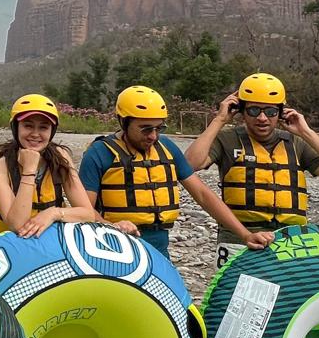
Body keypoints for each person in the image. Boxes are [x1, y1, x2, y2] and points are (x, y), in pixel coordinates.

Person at [79, 86, 276, 260]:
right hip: (114, 247)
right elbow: (83, 209)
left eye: (159, 128)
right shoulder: (99, 153)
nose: (153, 136)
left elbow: (202, 194)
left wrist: (245, 235)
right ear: (123, 121)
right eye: (145, 129)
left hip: (159, 248)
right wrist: (110, 226)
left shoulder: (166, 147)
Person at [185, 72, 319, 266]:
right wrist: (219, 120)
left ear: (281, 113)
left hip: (292, 242)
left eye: (270, 111)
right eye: (253, 111)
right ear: (240, 110)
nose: (262, 118)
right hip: (239, 241)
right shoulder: (227, 139)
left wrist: (306, 132)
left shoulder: (296, 143)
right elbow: (190, 165)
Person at [0, 93, 102, 246]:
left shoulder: (60, 158)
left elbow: (87, 213)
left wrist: (53, 213)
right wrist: (29, 168)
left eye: (43, 127)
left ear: (52, 131)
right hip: (8, 247)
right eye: (28, 125)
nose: (35, 134)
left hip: (47, 245)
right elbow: (16, 225)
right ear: (16, 128)